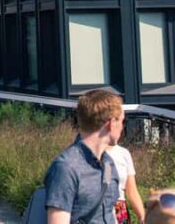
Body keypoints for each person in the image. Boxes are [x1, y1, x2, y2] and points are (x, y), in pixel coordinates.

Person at [44, 89, 123, 224]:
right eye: (122, 121)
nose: (122, 127)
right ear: (111, 123)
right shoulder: (66, 168)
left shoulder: (109, 164)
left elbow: (110, 214)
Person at [106, 143, 144, 223]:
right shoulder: (90, 151)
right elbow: (106, 185)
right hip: (99, 209)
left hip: (120, 211)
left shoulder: (123, 153)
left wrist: (143, 217)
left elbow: (132, 191)